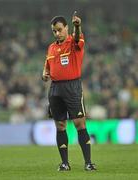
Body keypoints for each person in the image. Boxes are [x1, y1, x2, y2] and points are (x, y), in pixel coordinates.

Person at [42, 11, 96, 171]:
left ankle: (88, 163)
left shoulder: (74, 42)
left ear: (66, 28)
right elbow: (47, 64)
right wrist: (44, 73)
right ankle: (65, 163)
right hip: (55, 89)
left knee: (80, 124)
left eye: (59, 29)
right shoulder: (51, 48)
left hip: (72, 87)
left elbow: (78, 37)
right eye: (54, 31)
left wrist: (77, 26)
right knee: (60, 125)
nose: (57, 33)